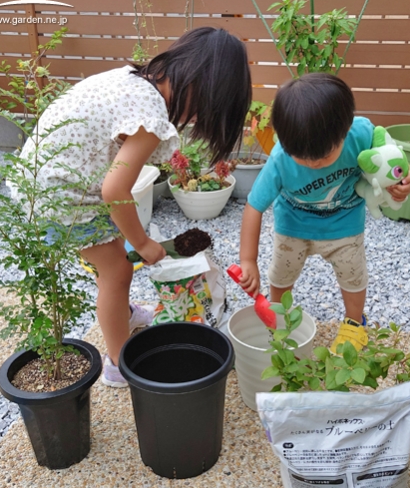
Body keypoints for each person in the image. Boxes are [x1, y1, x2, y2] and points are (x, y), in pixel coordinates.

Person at [19, 27, 252, 386]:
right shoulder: (151, 114)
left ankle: (123, 313)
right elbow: (115, 191)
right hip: (60, 193)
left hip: (40, 176)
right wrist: (141, 243)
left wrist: (130, 237)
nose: (194, 121)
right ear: (202, 91)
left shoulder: (133, 79)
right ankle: (119, 365)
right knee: (117, 272)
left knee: (112, 255)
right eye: (204, 113)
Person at [238, 73, 410, 353]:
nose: (315, 163)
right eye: (304, 158)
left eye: (323, 156)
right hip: (293, 225)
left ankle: (355, 323)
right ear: (283, 141)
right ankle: (278, 319)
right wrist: (248, 260)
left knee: (353, 274)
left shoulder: (362, 134)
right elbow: (254, 206)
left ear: (344, 131)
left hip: (344, 222)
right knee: (281, 275)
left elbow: (394, 159)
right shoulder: (280, 160)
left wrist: (405, 178)